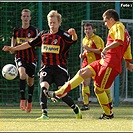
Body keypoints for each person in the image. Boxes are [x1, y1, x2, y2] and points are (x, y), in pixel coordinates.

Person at [43, 9, 133, 119]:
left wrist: (106, 48)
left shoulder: (117, 26)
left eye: (105, 21)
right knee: (82, 72)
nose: (105, 24)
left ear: (112, 19)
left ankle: (108, 113)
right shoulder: (126, 34)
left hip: (110, 64)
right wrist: (128, 63)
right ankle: (58, 93)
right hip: (103, 62)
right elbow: (127, 51)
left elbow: (119, 41)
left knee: (98, 89)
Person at [2, 10, 82, 120]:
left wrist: (74, 34)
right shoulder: (43, 35)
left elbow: (73, 40)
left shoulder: (63, 35)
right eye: (50, 23)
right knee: (43, 87)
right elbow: (29, 44)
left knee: (61, 93)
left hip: (60, 68)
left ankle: (75, 109)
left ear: (59, 23)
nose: (52, 25)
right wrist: (13, 48)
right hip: (46, 67)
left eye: (54, 23)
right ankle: (44, 113)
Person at [9, 9, 40, 113]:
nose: (25, 18)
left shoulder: (35, 30)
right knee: (22, 74)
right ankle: (22, 99)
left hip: (31, 58)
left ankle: (30, 101)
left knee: (30, 81)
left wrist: (31, 42)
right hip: (20, 56)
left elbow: (40, 43)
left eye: (27, 16)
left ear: (30, 18)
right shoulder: (17, 30)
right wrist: (12, 47)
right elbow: (13, 38)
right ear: (21, 17)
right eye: (24, 16)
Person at [79, 23, 104, 111]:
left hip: (97, 64)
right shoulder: (84, 40)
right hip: (87, 64)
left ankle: (109, 102)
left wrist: (89, 49)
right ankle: (86, 104)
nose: (87, 31)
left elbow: (101, 51)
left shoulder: (96, 39)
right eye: (86, 29)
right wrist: (83, 55)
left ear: (93, 30)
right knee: (84, 83)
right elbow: (87, 52)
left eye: (89, 29)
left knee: (100, 86)